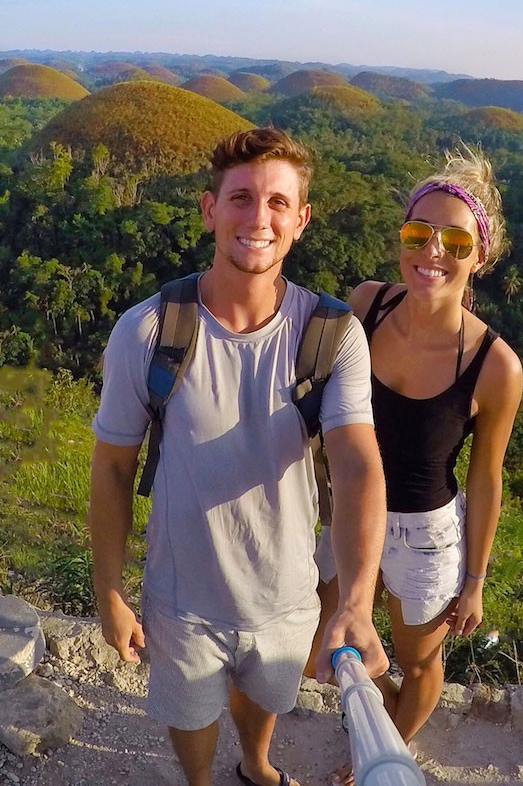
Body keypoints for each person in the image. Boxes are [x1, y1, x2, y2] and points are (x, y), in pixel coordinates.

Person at [89, 128, 388, 786]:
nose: (259, 218)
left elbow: (358, 465)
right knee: (192, 720)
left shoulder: (331, 336)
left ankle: (255, 765)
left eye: (279, 203)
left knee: (263, 703)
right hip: (181, 598)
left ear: (301, 220)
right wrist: (109, 591)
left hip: (285, 594)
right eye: (242, 198)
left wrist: (357, 602)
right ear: (209, 209)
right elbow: (111, 468)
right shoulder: (149, 331)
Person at [315, 146, 522, 744]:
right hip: (349, 512)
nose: (433, 252)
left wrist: (476, 580)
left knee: (420, 662)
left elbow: (485, 478)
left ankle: (386, 754)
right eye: (418, 232)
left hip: (422, 535)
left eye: (455, 243)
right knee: (321, 646)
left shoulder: (493, 366)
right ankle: (378, 719)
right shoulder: (367, 305)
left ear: (478, 257)